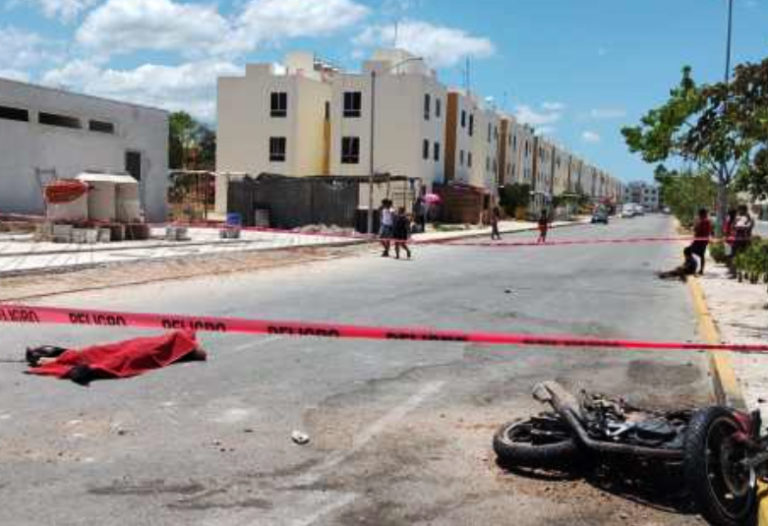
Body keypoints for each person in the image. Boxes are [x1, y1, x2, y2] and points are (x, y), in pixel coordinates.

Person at [690, 208, 712, 275]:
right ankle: (701, 270)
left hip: (699, 240)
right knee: (701, 255)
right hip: (704, 240)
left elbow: (697, 230)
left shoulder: (703, 221)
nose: (699, 216)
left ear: (702, 214)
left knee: (690, 252)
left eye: (699, 214)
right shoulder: (707, 221)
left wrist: (695, 226)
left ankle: (694, 268)